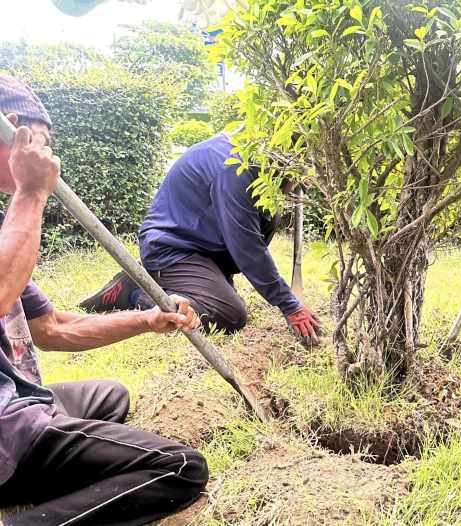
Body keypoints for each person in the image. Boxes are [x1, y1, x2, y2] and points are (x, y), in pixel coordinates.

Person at [0, 75, 208, 525]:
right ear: (13, 129)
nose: (49, 157)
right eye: (42, 142)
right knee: (179, 469)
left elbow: (53, 327)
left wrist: (147, 320)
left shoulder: (6, 230)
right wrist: (31, 191)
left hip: (11, 400)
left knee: (109, 396)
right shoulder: (21, 208)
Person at [78, 133, 324, 345]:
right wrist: (290, 305)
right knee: (230, 314)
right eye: (294, 181)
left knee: (270, 211)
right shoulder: (235, 171)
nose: (295, 188)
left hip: (200, 245)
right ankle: (136, 291)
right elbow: (247, 246)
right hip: (171, 247)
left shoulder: (251, 155)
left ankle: (211, 281)